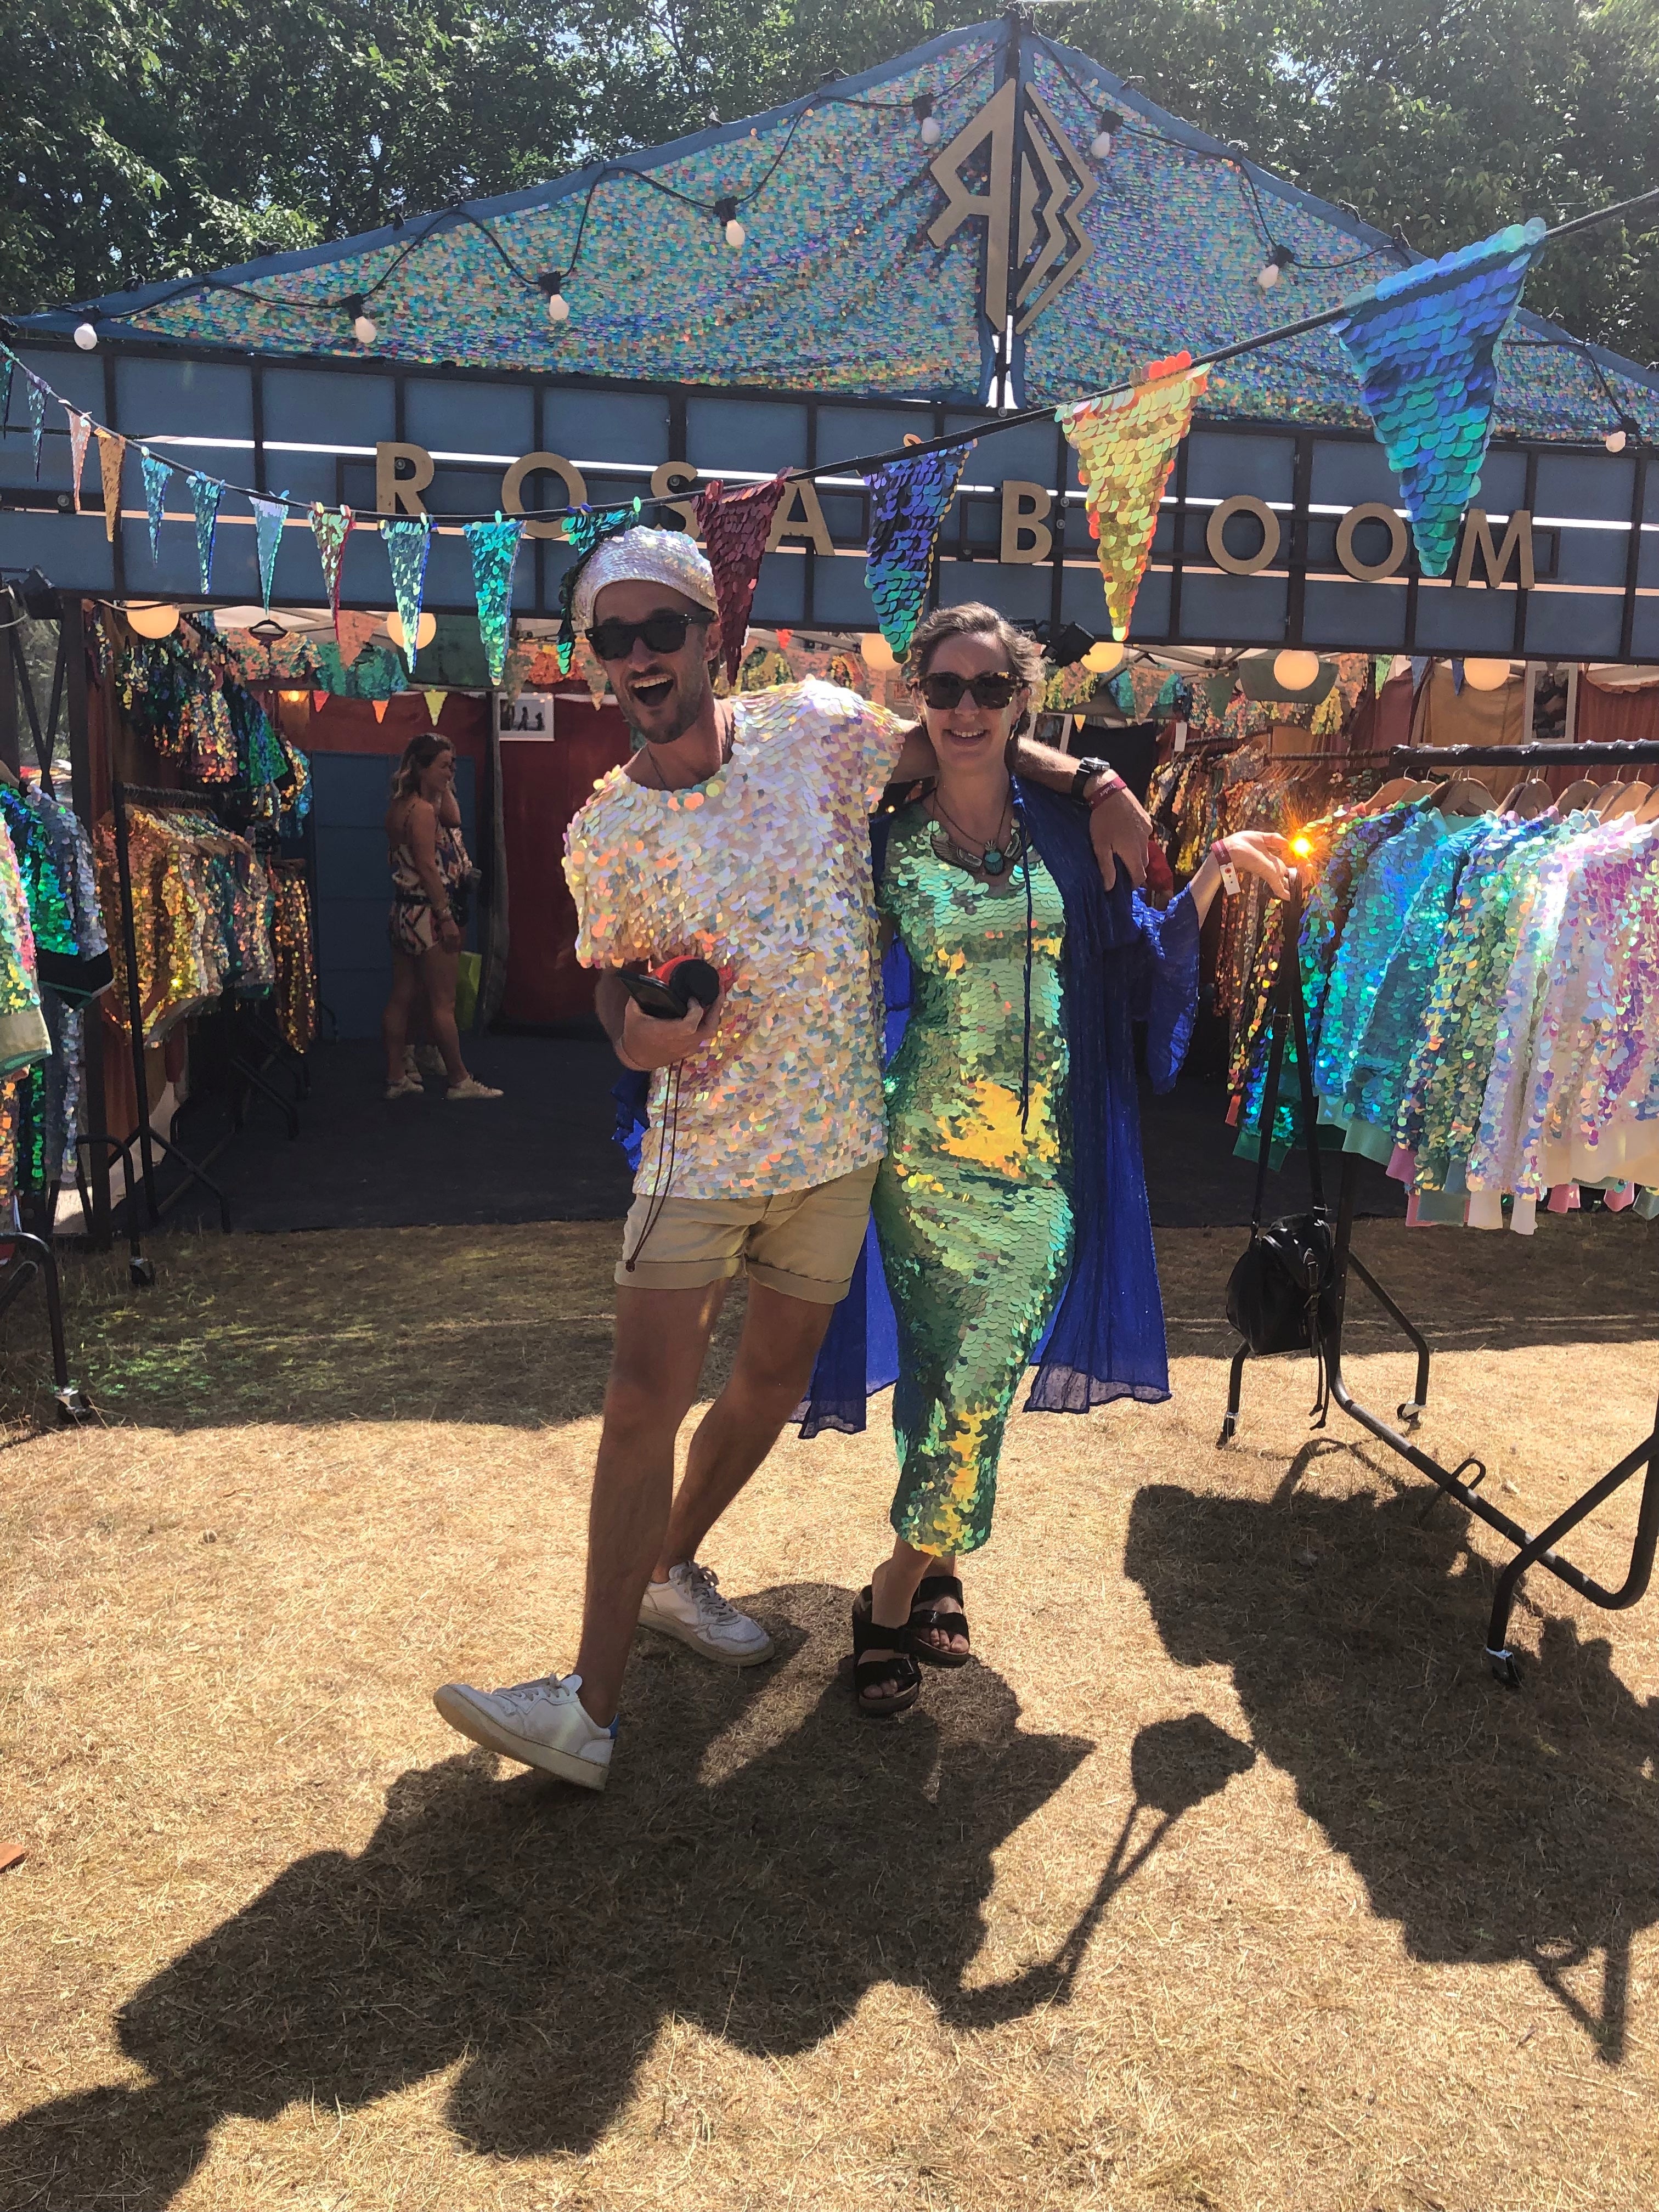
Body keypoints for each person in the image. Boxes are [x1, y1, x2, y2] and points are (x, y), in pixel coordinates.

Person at [433, 527, 1155, 1791]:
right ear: (596, 665)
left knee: (767, 1387)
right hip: (699, 1156)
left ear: (716, 633)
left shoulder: (815, 730)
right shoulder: (606, 832)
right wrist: (639, 1030)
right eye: (617, 640)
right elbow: (614, 994)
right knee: (637, 1409)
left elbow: (954, 737)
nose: (643, 657)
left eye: (665, 630)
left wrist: (1094, 774)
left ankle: (669, 1574)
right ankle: (586, 1709)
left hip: (836, 1151)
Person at [799, 603, 1289, 1716]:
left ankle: (888, 1590)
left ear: (1024, 701)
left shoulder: (1070, 832)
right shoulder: (881, 836)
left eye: (988, 688)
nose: (965, 709)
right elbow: (823, 974)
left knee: (981, 1373)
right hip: (921, 1159)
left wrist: (1207, 868)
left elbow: (1138, 950)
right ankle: (932, 1577)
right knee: (946, 1378)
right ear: (918, 699)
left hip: (1040, 1168)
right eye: (945, 688)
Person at [381, 732, 501, 1103]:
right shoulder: (423, 812)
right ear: (421, 767)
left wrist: (440, 784)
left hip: (403, 911)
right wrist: (445, 916)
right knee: (443, 1002)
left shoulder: (400, 806)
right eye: (444, 766)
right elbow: (429, 869)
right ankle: (459, 1079)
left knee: (404, 994)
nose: (451, 773)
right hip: (426, 912)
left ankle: (397, 1075)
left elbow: (454, 816)